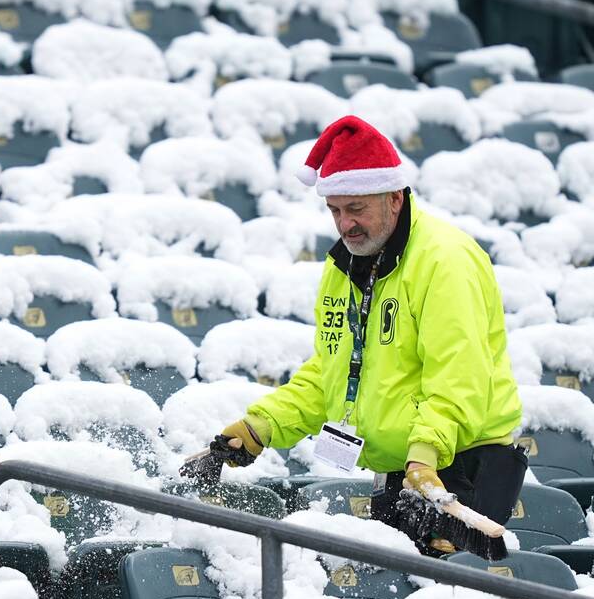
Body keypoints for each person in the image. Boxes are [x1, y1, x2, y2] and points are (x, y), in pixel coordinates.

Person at [209, 115, 526, 553]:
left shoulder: (445, 262)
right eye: (335, 210)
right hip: (405, 468)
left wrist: (426, 452)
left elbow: (459, 375)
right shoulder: (344, 265)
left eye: (356, 209)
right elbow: (331, 372)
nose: (345, 225)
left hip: (459, 468)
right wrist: (259, 426)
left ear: (395, 198)